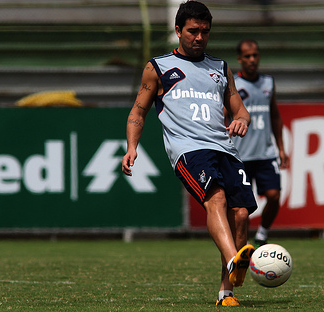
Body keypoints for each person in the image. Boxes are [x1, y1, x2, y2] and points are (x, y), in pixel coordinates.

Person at [121, 1, 257, 307]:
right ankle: (234, 259)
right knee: (217, 200)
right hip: (188, 149)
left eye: (205, 32)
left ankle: (227, 293)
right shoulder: (158, 68)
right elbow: (139, 111)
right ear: (178, 30)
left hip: (225, 148)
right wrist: (132, 147)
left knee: (241, 215)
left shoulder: (220, 68)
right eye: (193, 31)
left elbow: (241, 110)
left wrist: (241, 121)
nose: (199, 37)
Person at [232, 39, 290, 247]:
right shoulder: (233, 85)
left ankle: (263, 233)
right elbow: (223, 116)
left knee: (274, 196)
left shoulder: (268, 83)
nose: (252, 59)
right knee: (242, 207)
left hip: (265, 153)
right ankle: (240, 244)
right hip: (241, 155)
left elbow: (275, 116)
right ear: (239, 59)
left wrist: (281, 148)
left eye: (255, 55)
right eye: (247, 56)